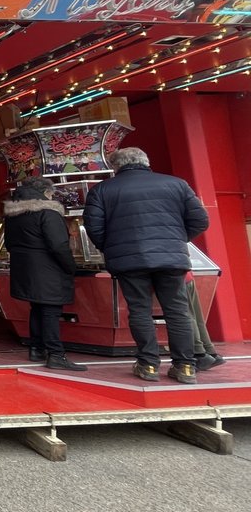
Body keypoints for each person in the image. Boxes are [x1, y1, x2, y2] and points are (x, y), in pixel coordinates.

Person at [84, 147, 209, 384]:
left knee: (139, 310)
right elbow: (200, 220)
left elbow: (94, 228)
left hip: (128, 260)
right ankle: (185, 367)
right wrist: (175, 241)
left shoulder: (102, 190)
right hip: (171, 258)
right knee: (177, 311)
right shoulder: (177, 184)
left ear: (116, 166)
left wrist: (111, 248)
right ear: (146, 161)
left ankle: (148, 364)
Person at [3, 177, 86, 371]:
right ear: (47, 193)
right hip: (48, 269)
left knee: (37, 308)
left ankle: (36, 348)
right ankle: (56, 354)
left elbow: (9, 244)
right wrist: (70, 266)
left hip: (25, 269)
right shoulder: (48, 213)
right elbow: (58, 245)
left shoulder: (13, 215)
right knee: (50, 310)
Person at [185, 271, 225, 370]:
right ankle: (210, 351)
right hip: (186, 274)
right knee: (196, 315)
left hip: (171, 277)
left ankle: (199, 354)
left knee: (186, 315)